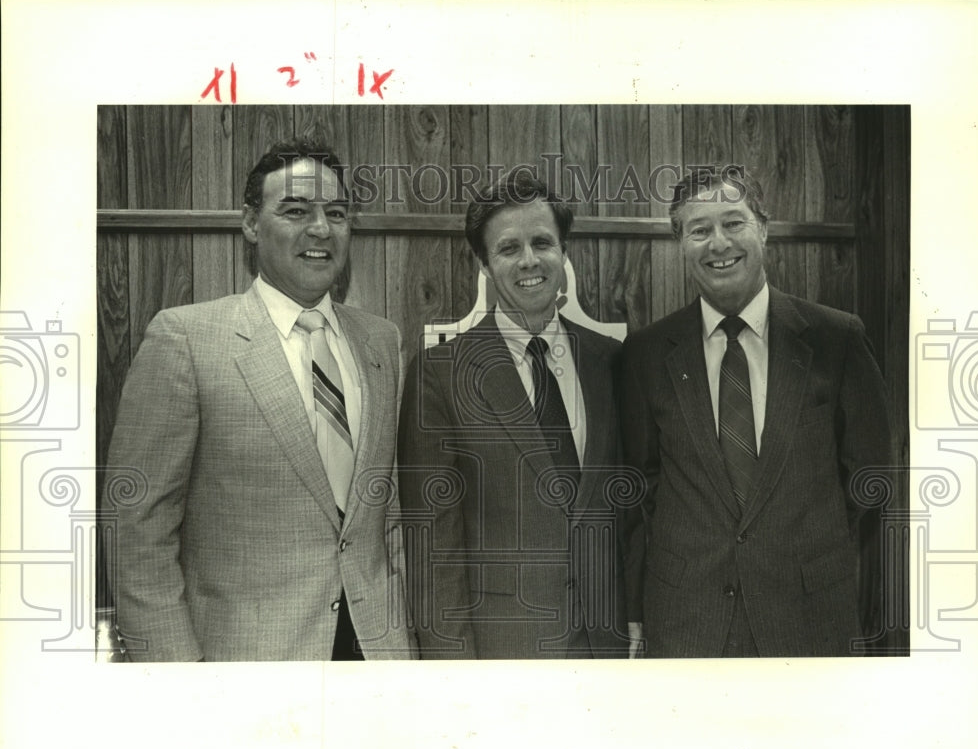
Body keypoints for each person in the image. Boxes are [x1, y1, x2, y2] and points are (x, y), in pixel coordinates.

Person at [105, 137, 415, 661]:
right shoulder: (186, 339)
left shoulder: (382, 341)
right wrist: (177, 677)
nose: (320, 228)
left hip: (376, 655)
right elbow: (136, 532)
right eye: (295, 210)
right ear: (251, 223)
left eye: (335, 212)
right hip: (243, 663)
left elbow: (389, 514)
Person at [620, 167, 891, 658]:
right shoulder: (646, 354)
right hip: (687, 622)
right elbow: (640, 489)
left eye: (734, 223)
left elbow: (871, 482)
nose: (718, 243)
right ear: (680, 244)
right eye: (699, 230)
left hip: (810, 619)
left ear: (763, 229)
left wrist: (805, 554)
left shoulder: (837, 339)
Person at [397, 171, 632, 659]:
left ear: (564, 252)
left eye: (542, 242)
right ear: (484, 264)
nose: (529, 260)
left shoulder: (612, 361)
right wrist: (452, 668)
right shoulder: (440, 373)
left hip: (606, 645)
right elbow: (433, 546)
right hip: (503, 648)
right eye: (508, 248)